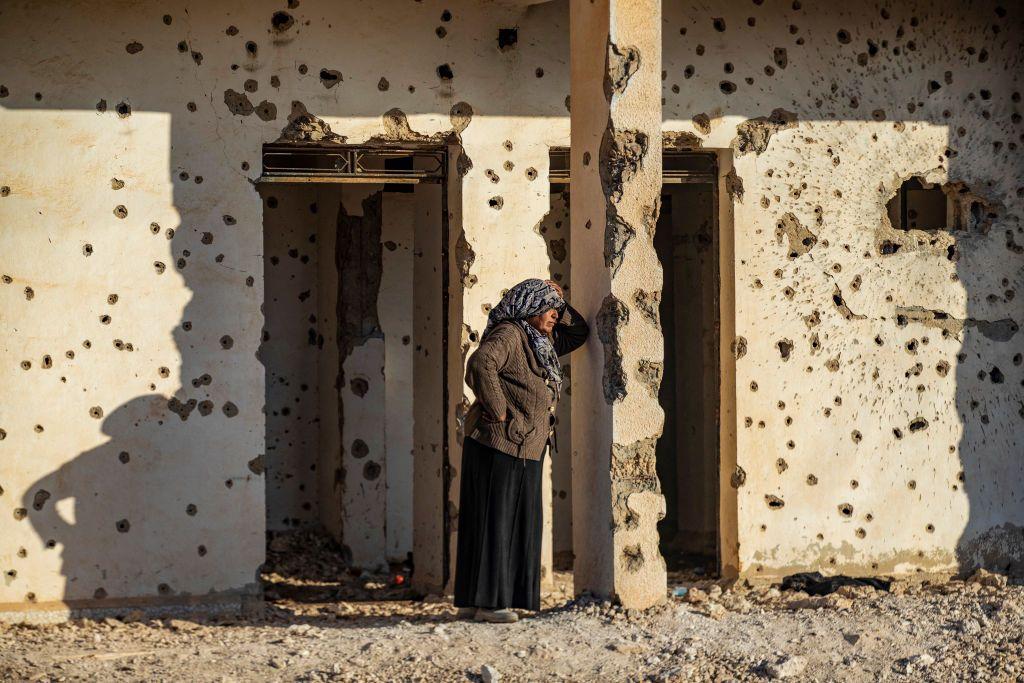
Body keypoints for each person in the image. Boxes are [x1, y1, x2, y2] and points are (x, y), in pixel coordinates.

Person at [453, 278, 590, 623]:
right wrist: (500, 411)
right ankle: (491, 603)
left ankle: (476, 601)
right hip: (501, 442)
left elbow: (579, 334)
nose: (555, 315)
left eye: (556, 310)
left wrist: (560, 297)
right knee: (497, 522)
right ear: (528, 306)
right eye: (547, 307)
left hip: (521, 445)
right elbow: (481, 364)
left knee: (505, 522)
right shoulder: (510, 333)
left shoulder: (539, 341)